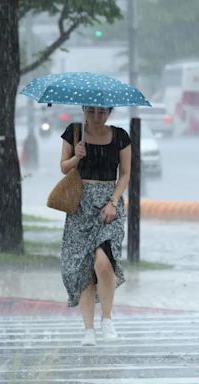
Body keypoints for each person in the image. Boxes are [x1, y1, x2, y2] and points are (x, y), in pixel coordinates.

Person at [59, 106, 131, 346]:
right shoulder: (74, 132)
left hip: (109, 207)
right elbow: (63, 167)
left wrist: (113, 202)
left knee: (104, 263)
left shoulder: (120, 136)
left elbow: (125, 174)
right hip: (80, 205)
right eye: (91, 112)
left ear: (109, 113)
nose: (96, 117)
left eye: (102, 113)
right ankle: (88, 328)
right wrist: (76, 156)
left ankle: (107, 318)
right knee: (84, 269)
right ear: (84, 110)